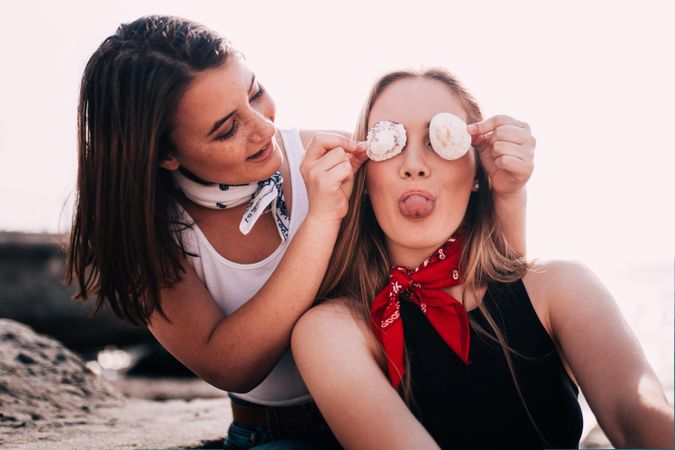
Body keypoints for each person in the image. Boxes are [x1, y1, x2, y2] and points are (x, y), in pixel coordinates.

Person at [65, 16, 527, 449]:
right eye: (228, 129)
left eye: (255, 92)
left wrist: (506, 193)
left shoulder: (327, 158)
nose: (264, 127)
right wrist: (321, 219)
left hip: (406, 411)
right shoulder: (147, 237)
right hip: (276, 434)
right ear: (165, 154)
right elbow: (232, 365)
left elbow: (478, 280)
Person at [291, 68, 675, 449]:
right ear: (362, 174)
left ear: (479, 170)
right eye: (389, 141)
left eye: (440, 140)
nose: (413, 164)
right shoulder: (331, 332)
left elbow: (637, 415)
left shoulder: (559, 288)